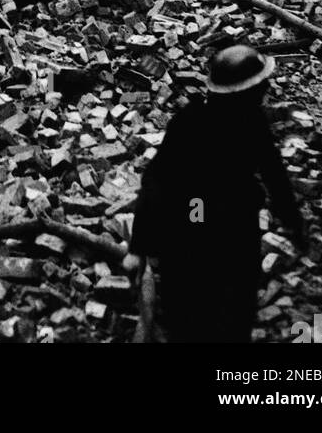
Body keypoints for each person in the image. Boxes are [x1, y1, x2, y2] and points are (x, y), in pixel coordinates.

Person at [123, 43, 305, 343]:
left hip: (207, 229)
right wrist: (138, 249)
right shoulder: (232, 123)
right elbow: (158, 182)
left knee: (208, 317)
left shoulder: (202, 120)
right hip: (209, 231)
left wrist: (138, 248)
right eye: (260, 84)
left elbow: (274, 176)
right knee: (213, 317)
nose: (267, 88)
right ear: (243, 93)